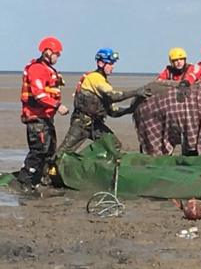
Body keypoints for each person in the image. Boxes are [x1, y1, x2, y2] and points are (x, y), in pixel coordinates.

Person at [56, 48, 151, 156]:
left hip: (95, 124)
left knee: (113, 145)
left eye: (113, 63)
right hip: (81, 123)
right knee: (63, 152)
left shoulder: (104, 82)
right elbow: (113, 96)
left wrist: (130, 109)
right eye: (110, 63)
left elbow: (112, 111)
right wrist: (136, 92)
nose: (113, 66)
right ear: (101, 63)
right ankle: (49, 170)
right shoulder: (94, 78)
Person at [9, 37, 69, 194]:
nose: (58, 57)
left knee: (49, 151)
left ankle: (40, 181)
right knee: (38, 151)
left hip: (45, 118)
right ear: (48, 52)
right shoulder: (37, 69)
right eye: (56, 54)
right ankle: (25, 182)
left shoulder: (47, 69)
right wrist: (58, 105)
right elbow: (38, 94)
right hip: (36, 117)